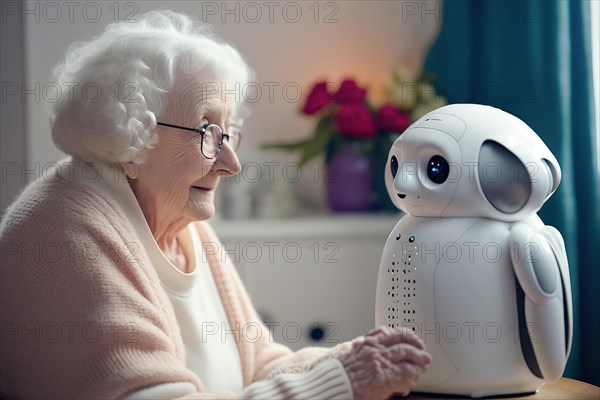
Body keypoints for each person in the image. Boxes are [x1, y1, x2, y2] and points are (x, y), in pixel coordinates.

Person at [0, 10, 431, 399]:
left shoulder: (184, 227)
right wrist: (341, 380)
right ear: (131, 136)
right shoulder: (67, 233)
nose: (231, 163)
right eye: (207, 131)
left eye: (228, 134)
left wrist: (351, 360)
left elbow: (261, 366)